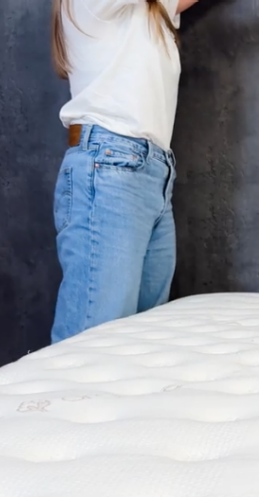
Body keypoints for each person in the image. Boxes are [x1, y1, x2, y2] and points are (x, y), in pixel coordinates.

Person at [48, 0, 199, 343]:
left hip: (152, 175)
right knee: (92, 346)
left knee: (137, 349)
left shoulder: (149, 10)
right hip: (111, 168)